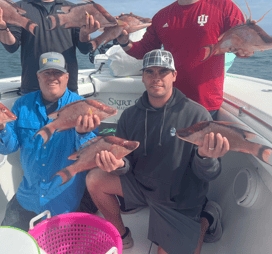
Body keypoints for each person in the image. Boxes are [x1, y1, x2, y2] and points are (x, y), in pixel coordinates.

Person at [86, 49, 230, 253]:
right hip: (142, 186)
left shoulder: (197, 114)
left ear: (174, 75)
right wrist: (118, 165)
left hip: (179, 198)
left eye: (163, 71)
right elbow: (126, 162)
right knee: (94, 179)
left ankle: (206, 218)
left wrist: (205, 157)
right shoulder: (129, 116)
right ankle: (122, 235)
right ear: (143, 77)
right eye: (150, 72)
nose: (156, 77)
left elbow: (209, 174)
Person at [116, 0, 252, 119]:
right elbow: (144, 50)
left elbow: (244, 44)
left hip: (206, 104)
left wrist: (246, 51)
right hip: (169, 101)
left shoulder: (225, 7)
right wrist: (123, 41)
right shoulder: (162, 16)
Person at [0, 52, 100, 232]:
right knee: (5, 239)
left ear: (67, 77)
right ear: (38, 76)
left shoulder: (84, 107)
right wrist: (0, 128)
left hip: (64, 198)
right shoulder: (22, 104)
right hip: (28, 196)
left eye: (58, 73)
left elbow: (90, 157)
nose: (52, 78)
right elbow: (9, 147)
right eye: (47, 73)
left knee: (55, 246)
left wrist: (83, 133)